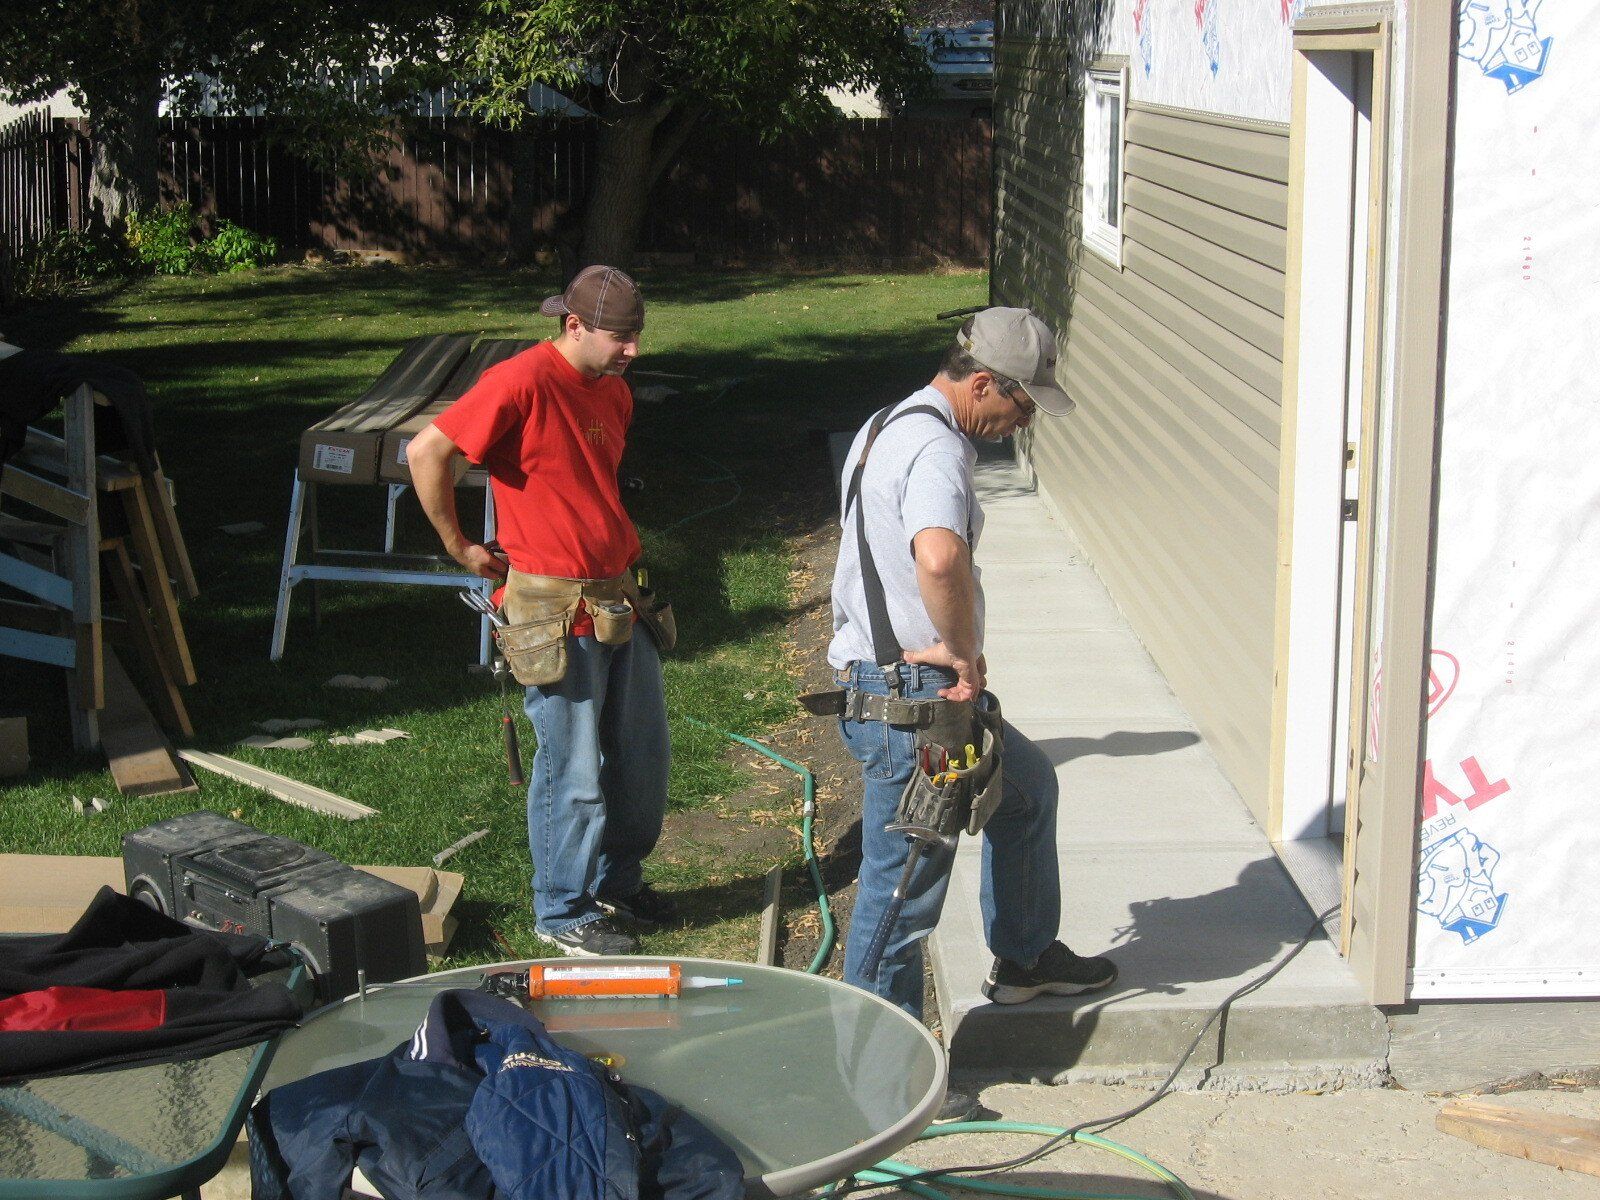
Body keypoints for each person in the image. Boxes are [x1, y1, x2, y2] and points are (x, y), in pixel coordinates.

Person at [826, 307, 1120, 1034]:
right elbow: (938, 558)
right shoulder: (936, 450)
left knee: (1026, 791)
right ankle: (879, 1070)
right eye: (1021, 404)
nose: (1024, 421)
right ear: (983, 383)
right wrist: (959, 652)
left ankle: (1023, 957)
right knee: (902, 897)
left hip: (902, 688)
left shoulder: (885, 423)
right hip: (911, 707)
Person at [408, 266, 675, 957]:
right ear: (573, 325)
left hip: (618, 595)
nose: (633, 353)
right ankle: (561, 912)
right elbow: (426, 450)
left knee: (642, 758)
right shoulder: (520, 381)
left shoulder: (612, 391)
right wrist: (460, 543)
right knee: (573, 769)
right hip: (554, 610)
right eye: (620, 338)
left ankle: (618, 882)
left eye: (637, 338)